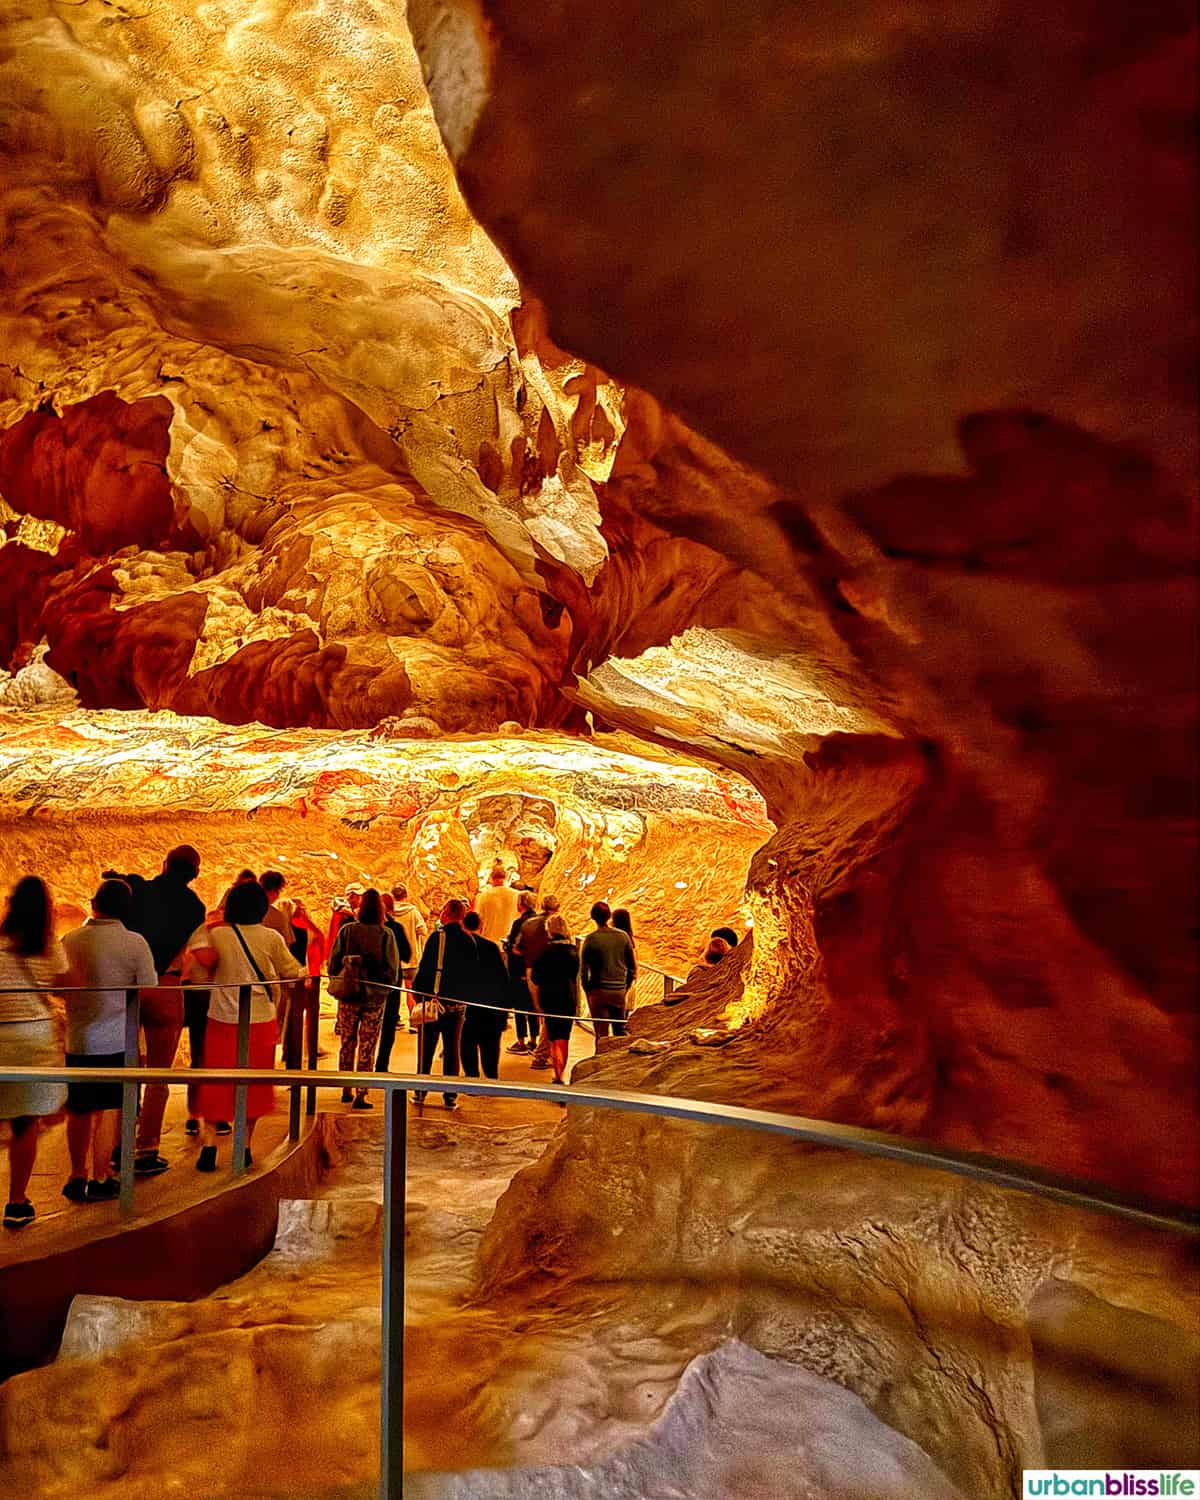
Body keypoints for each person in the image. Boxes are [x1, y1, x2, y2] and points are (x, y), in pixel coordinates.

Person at [184, 880, 302, 1170]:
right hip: (260, 1019)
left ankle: (209, 1146)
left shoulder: (219, 934)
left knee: (217, 1080)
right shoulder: (271, 937)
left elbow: (197, 957)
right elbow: (291, 971)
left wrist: (213, 923)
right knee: (254, 1084)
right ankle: (244, 1147)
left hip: (221, 1017)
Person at [59, 880, 157, 1203]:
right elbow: (149, 988)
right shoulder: (135, 942)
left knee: (79, 1110)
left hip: (77, 1037)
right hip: (116, 1038)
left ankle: (77, 1175)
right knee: (109, 1110)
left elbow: (59, 983)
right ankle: (100, 1176)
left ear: (94, 904)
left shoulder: (71, 939)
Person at [119, 845, 206, 1165]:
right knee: (159, 1071)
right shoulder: (195, 906)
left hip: (130, 987)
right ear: (195, 874)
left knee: (123, 1068)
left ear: (164, 863)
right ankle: (147, 1147)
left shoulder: (138, 890)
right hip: (166, 983)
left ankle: (117, 1144)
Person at [0, 877, 67, 1229]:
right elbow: (66, 984)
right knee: (25, 1124)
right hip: (33, 1036)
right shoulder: (47, 946)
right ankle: (16, 1202)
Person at [328, 888, 399, 1109]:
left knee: (347, 1041)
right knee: (368, 1045)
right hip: (374, 999)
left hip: (349, 996)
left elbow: (332, 963)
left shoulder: (347, 931)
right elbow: (392, 970)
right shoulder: (386, 934)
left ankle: (346, 1087)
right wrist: (382, 989)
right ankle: (362, 1092)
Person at [411, 899, 477, 1110]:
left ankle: (420, 1092)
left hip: (433, 1001)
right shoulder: (470, 941)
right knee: (452, 1050)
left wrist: (417, 994)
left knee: (426, 1049)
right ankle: (450, 1096)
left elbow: (425, 970)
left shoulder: (437, 937)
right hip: (456, 1005)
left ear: (447, 913)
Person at [528, 914, 580, 1086]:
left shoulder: (545, 953)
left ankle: (557, 1074)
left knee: (553, 1037)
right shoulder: (573, 952)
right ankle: (560, 1072)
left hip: (550, 997)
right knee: (564, 1038)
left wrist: (537, 1003)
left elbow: (536, 978)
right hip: (568, 997)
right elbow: (574, 974)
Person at [460, 910, 508, 1080]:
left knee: (468, 1043)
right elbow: (502, 978)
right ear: (480, 926)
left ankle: (471, 1078)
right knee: (491, 1044)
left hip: (469, 1004)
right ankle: (491, 1077)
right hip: (491, 1004)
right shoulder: (491, 947)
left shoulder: (460, 947)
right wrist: (504, 1008)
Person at [513, 893, 559, 1070]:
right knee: (551, 1014)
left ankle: (540, 1050)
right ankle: (543, 1054)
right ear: (558, 907)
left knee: (538, 1010)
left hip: (531, 970)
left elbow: (517, 949)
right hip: (553, 972)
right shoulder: (557, 923)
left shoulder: (528, 924)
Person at [580, 901, 636, 1044]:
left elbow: (584, 971)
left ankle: (601, 1057)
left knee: (601, 1035)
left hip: (598, 991)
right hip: (618, 991)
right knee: (619, 1032)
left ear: (593, 917)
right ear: (609, 916)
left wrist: (588, 991)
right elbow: (632, 967)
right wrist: (625, 987)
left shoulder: (591, 939)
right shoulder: (623, 936)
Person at [373, 894, 413, 1074]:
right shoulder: (396, 928)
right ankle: (381, 1065)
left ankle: (363, 1065)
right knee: (388, 1026)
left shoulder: (359, 927)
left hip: (370, 984)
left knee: (368, 1026)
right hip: (391, 983)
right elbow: (407, 955)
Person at [504, 891, 538, 1053]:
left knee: (519, 1007)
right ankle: (534, 1039)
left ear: (521, 904)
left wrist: (507, 946)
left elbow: (513, 946)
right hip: (535, 970)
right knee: (532, 1007)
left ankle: (521, 1041)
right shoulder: (539, 921)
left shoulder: (519, 923)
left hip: (518, 970)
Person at [389, 884, 426, 990]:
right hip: (411, 959)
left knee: (393, 991)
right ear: (406, 895)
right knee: (410, 990)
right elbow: (423, 930)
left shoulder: (389, 912)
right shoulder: (413, 911)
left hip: (393, 959)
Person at [474, 863, 519, 947]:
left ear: (491, 878)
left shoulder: (483, 896)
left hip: (488, 943)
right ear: (506, 877)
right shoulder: (517, 895)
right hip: (508, 943)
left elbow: (477, 922)